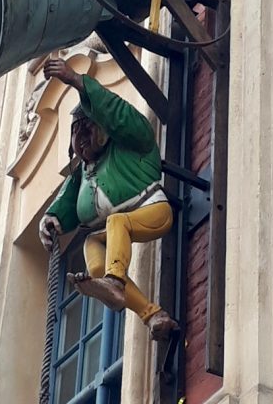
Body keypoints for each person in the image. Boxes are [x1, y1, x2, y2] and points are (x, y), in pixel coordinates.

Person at [39, 58, 178, 341]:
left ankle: (114, 281)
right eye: (76, 133)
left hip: (153, 208)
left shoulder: (132, 140)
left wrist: (79, 82)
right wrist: (52, 218)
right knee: (93, 247)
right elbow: (66, 200)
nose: (81, 139)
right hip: (115, 228)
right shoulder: (84, 172)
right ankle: (152, 314)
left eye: (87, 130)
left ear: (102, 129)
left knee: (116, 222)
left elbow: (117, 114)